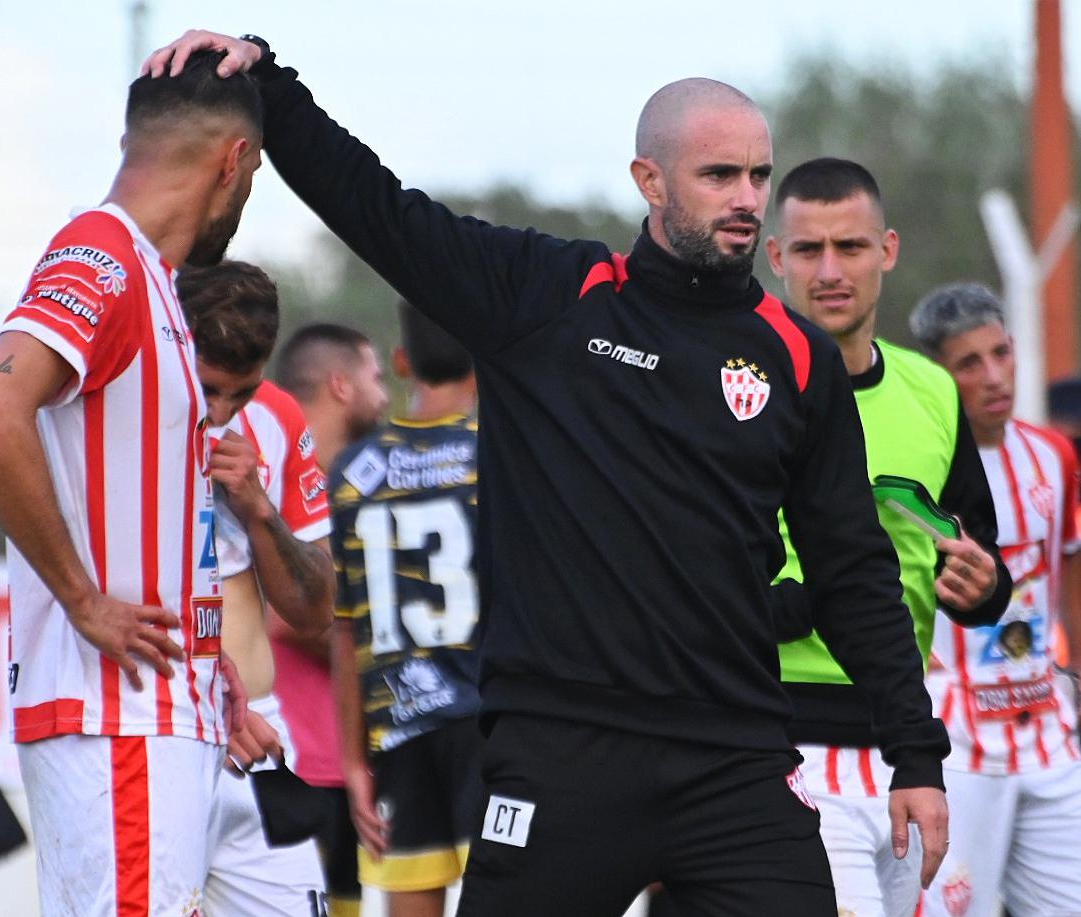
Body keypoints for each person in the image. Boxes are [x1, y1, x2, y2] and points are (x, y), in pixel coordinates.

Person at [145, 34, 950, 916]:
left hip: (736, 756)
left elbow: (852, 568)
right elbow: (380, 211)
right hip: (561, 753)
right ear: (649, 181)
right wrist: (264, 80)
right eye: (719, 176)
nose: (747, 200)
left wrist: (914, 754)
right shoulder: (550, 297)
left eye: (759, 176)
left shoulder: (795, 357)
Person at [0, 52, 254, 916]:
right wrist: (85, 601)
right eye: (255, 174)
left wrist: (206, 664)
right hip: (118, 718)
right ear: (233, 161)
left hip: (154, 712)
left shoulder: (150, 276)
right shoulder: (103, 253)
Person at [763, 159, 1009, 917]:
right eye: (808, 250)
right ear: (774, 257)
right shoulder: (733, 389)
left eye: (851, 247)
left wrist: (982, 587)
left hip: (906, 747)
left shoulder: (932, 390)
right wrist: (811, 602)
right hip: (780, 741)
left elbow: (978, 553)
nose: (830, 270)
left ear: (889, 250)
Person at [910, 283, 1081, 917]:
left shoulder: (1054, 456)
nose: (994, 376)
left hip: (1048, 733)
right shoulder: (915, 467)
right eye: (969, 363)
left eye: (1001, 353)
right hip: (957, 742)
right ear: (936, 374)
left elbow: (1066, 571)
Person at [176, 260, 337, 916]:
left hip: (261, 746)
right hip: (162, 735)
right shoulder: (121, 413)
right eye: (208, 389)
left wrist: (258, 509)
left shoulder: (275, 416)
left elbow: (314, 608)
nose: (219, 413)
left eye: (238, 393)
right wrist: (212, 697)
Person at [328, 300, 480, 917]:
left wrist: (352, 761)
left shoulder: (353, 473)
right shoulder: (501, 455)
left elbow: (344, 631)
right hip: (492, 728)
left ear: (400, 360)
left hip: (398, 734)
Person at [270, 322, 390, 917]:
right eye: (375, 377)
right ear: (340, 386)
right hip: (293, 762)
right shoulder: (269, 477)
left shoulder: (366, 485)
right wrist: (383, 649)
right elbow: (288, 615)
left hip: (352, 766)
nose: (385, 393)